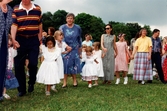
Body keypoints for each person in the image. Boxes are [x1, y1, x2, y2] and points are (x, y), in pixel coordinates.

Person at [11, 0, 42, 96]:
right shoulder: (16, 9)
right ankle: (22, 89)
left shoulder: (37, 8)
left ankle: (31, 82)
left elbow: (40, 24)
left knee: (33, 63)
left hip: (33, 40)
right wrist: (13, 39)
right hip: (20, 39)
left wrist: (39, 39)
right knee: (19, 65)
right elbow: (14, 25)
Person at [59, 13, 82, 88]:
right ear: (66, 19)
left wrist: (80, 50)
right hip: (65, 48)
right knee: (65, 64)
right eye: (68, 18)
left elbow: (79, 39)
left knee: (73, 65)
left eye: (71, 18)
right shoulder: (62, 27)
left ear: (73, 19)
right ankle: (64, 82)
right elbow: (60, 38)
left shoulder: (77, 27)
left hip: (75, 49)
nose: (70, 19)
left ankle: (75, 81)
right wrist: (66, 46)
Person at [0, 0, 13, 101]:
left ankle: (1, 93)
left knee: (2, 67)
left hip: (4, 43)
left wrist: (12, 39)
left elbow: (9, 28)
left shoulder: (10, 10)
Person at [3, 34, 18, 100]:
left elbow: (14, 55)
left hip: (8, 68)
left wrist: (15, 48)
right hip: (2, 67)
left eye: (10, 41)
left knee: (5, 81)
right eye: (7, 41)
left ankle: (4, 92)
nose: (9, 43)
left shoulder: (11, 49)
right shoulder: (2, 49)